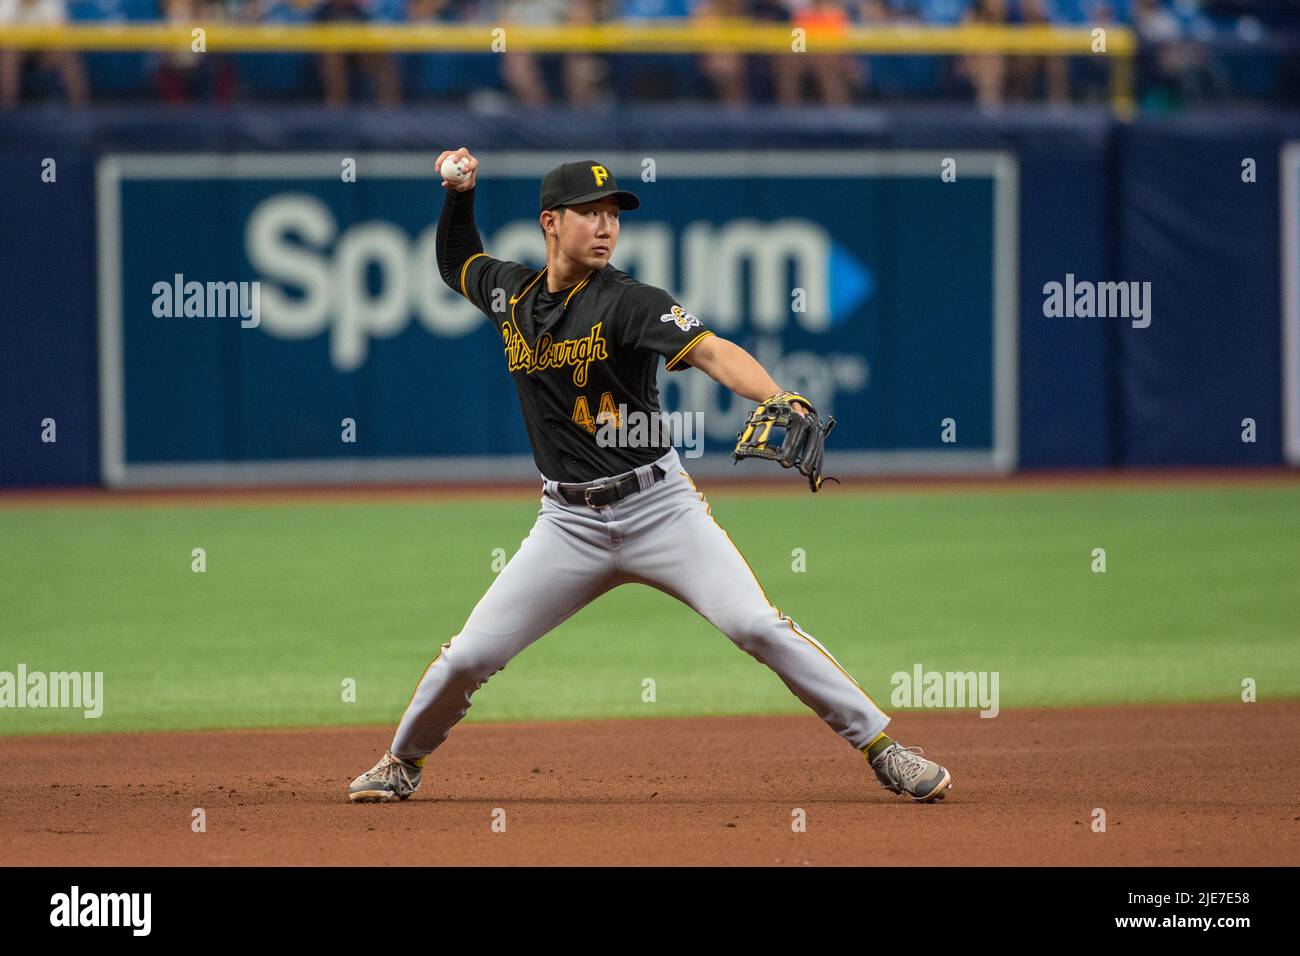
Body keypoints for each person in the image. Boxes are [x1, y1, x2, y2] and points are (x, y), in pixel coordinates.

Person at [347, 148, 954, 806]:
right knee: (468, 656)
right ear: (550, 222)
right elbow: (455, 260)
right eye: (590, 214)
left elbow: (714, 350)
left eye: (614, 215)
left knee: (755, 624)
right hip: (568, 524)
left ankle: (885, 748)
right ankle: (402, 761)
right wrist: (459, 194)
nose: (606, 226)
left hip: (660, 511)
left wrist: (781, 396)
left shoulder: (631, 302)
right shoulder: (511, 294)